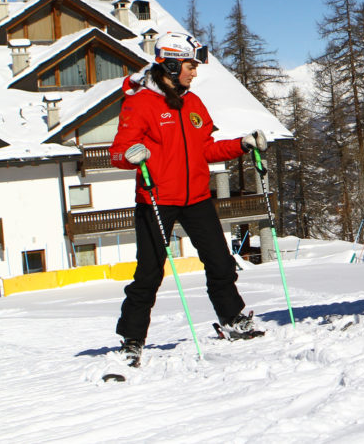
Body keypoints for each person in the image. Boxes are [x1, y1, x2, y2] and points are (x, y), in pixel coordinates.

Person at [109, 31, 267, 365]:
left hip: (195, 196)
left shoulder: (193, 103)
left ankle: (232, 318)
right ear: (169, 64)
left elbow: (205, 149)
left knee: (221, 262)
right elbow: (119, 153)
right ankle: (132, 338)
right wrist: (132, 156)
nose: (194, 72)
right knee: (150, 272)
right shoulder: (139, 103)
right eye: (189, 65)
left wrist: (241, 144)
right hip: (157, 198)